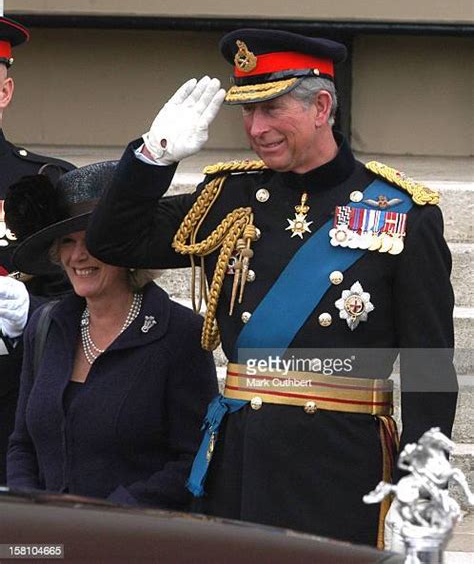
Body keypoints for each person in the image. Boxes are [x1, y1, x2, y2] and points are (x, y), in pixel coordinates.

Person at [86, 29, 458, 546]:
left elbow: (429, 368)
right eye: (247, 112)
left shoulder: (402, 212)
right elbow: (113, 241)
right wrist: (153, 157)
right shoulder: (230, 197)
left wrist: (419, 486)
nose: (256, 128)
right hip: (241, 462)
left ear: (321, 105)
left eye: (271, 109)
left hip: (342, 469)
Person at [7, 161, 218, 508]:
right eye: (66, 242)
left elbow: (193, 458)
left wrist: (108, 516)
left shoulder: (180, 335)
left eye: (93, 239)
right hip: (47, 543)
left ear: (127, 247)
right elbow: (22, 444)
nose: (78, 255)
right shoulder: (45, 326)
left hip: (130, 543)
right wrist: (30, 508)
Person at [0, 16, 75, 484]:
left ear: (4, 92)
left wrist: (33, 312)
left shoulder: (47, 184)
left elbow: (94, 304)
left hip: (12, 423)